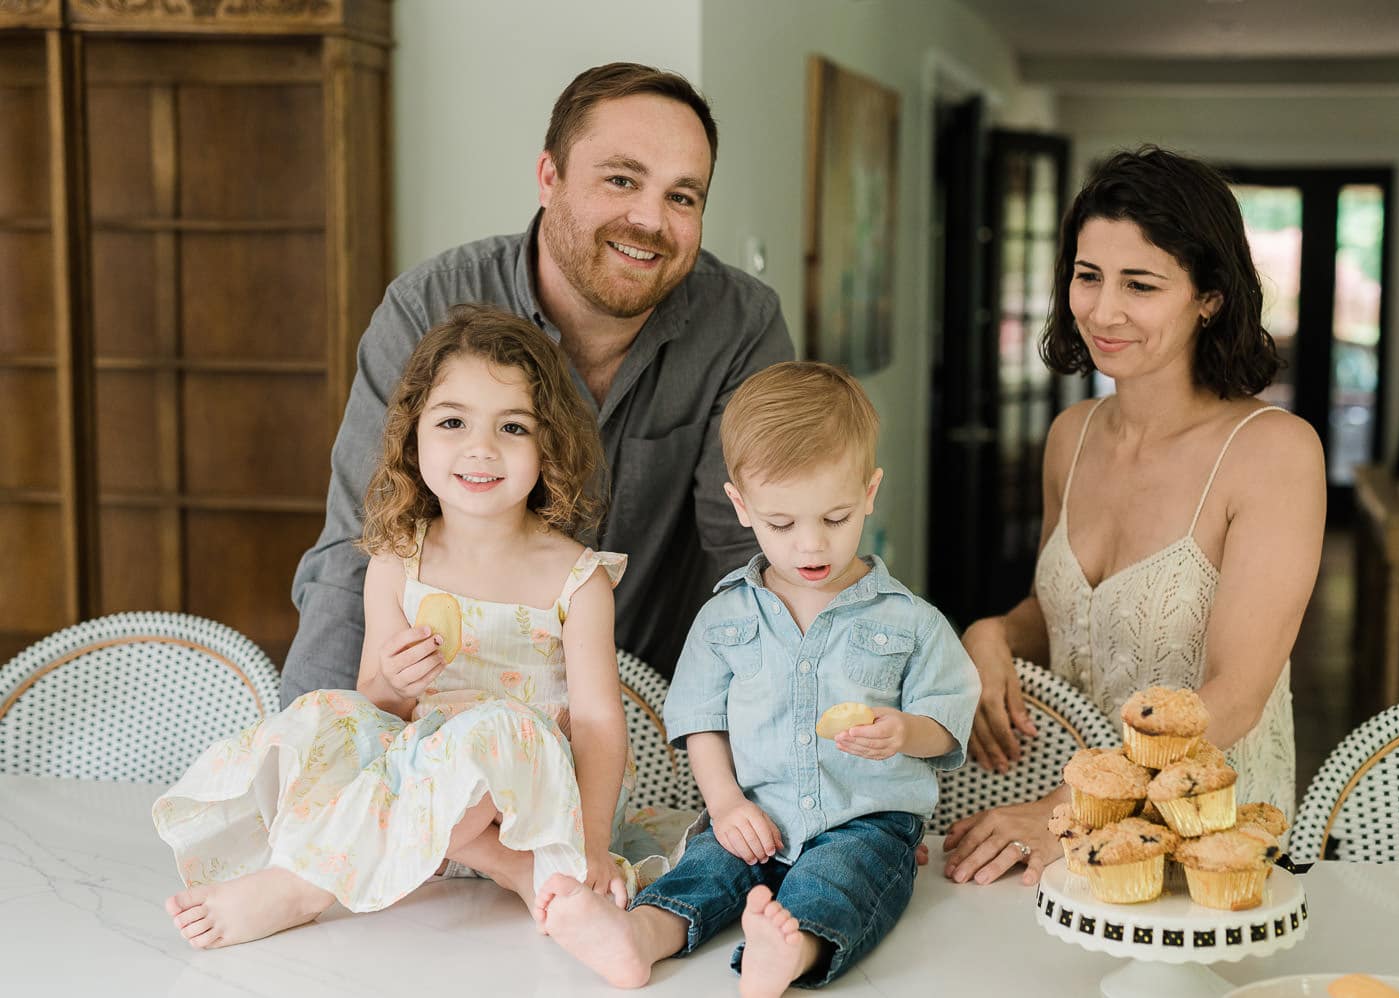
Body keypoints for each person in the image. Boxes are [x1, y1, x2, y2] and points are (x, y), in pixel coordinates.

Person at [282, 62, 794, 707]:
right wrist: (315, 759)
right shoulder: (428, 308)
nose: (651, 220)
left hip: (665, 710)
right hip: (444, 716)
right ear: (549, 178)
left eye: (682, 196)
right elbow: (359, 548)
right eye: (621, 179)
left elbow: (758, 556)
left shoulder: (741, 326)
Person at [154, 305, 664, 948]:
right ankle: (513, 869)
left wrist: (590, 844)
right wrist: (394, 680)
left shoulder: (578, 579)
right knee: (324, 713)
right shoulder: (398, 562)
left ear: (549, 445)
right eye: (453, 422)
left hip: (538, 802)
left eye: (513, 426)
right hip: (423, 817)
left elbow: (595, 723)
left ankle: (305, 887)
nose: (481, 448)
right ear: (413, 435)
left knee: (495, 729)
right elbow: (378, 707)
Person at [942, 146, 1325, 888]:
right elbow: (1063, 616)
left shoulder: (1274, 453)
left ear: (1209, 297)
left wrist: (1071, 809)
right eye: (1088, 276)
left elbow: (1238, 692)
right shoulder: (1070, 436)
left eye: (1140, 284)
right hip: (1067, 833)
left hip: (1207, 845)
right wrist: (992, 631)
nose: (1102, 310)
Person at [534, 361, 981, 995]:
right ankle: (639, 937)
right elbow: (701, 724)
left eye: (835, 518)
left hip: (868, 821)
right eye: (782, 524)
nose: (811, 547)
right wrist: (724, 803)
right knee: (706, 867)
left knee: (843, 878)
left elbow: (947, 722)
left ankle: (788, 951)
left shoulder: (911, 621)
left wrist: (907, 732)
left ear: (870, 492)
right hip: (753, 811)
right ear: (741, 507)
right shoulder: (723, 619)